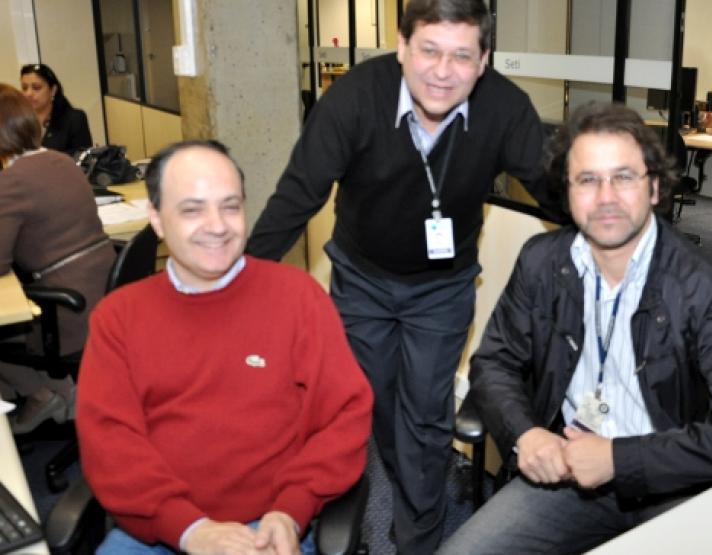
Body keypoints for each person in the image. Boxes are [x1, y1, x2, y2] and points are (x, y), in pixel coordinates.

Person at [246, 1, 559, 551]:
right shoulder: (354, 98)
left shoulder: (505, 108)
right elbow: (297, 194)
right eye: (429, 50)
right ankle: (414, 485)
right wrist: (239, 283)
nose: (442, 71)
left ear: (484, 59)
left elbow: (554, 188)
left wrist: (622, 231)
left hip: (442, 288)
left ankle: (418, 536)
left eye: (461, 56)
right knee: (375, 403)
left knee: (426, 418)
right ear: (402, 46)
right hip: (361, 279)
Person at [439, 102, 712, 555]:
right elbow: (493, 363)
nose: (606, 197)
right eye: (587, 180)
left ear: (655, 187)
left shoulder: (701, 284)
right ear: (567, 193)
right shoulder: (542, 262)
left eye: (623, 177)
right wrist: (527, 433)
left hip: (671, 484)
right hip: (569, 474)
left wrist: (619, 460)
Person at [76, 140, 374, 554]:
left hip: (266, 528)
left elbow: (345, 417)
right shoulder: (119, 317)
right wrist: (189, 529)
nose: (217, 226)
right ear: (157, 219)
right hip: (161, 527)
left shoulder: (297, 297)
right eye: (192, 210)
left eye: (230, 207)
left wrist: (291, 510)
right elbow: (110, 445)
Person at [0, 83, 114, 434]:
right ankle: (61, 391)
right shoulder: (61, 161)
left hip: (67, 314)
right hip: (101, 296)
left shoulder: (12, 181)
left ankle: (41, 394)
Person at [20, 63, 92, 154]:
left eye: (36, 88)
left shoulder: (74, 119)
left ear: (53, 90)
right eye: (24, 88)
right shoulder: (17, 122)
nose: (28, 94)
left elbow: (82, 157)